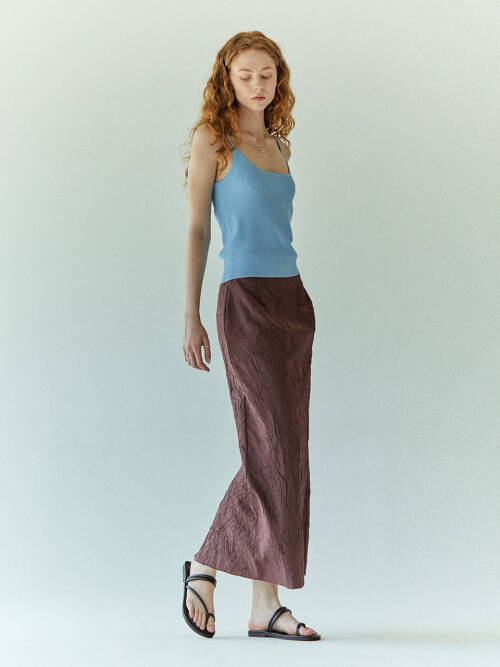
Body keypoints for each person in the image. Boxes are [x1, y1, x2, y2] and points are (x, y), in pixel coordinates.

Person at [181, 31, 320, 641]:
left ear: (278, 79)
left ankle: (265, 605)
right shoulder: (212, 140)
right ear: (227, 80)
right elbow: (197, 230)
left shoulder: (279, 143)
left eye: (267, 74)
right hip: (244, 302)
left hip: (293, 302)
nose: (257, 85)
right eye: (245, 76)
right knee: (269, 448)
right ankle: (205, 564)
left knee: (287, 452)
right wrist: (191, 314)